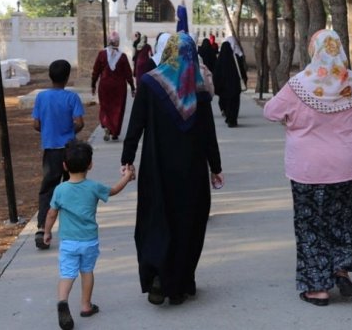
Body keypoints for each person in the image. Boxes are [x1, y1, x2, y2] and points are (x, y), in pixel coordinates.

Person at [263, 30, 352, 307]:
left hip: (309, 168)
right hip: (350, 165)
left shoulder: (299, 85)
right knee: (344, 220)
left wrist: (293, 122)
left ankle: (317, 288)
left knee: (311, 225)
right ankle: (340, 269)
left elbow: (271, 111)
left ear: (314, 51)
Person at [121, 32, 224, 306]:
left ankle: (157, 274)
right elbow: (207, 133)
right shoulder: (199, 90)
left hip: (157, 167)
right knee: (188, 222)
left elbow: (137, 123)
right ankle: (178, 282)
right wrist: (215, 167)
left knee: (156, 218)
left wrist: (127, 157)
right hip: (191, 171)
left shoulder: (150, 83)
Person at [43, 140, 136, 330]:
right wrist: (127, 176)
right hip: (89, 241)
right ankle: (86, 305)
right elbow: (114, 190)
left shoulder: (60, 190)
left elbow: (51, 213)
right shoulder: (94, 187)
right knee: (87, 272)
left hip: (68, 242)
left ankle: (62, 302)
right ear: (90, 165)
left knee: (67, 274)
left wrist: (46, 232)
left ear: (64, 166)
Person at [32, 60, 85, 251]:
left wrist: (49, 130)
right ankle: (74, 228)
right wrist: (69, 129)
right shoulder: (72, 98)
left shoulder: (41, 97)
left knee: (48, 189)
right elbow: (79, 122)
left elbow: (36, 124)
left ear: (50, 76)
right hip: (69, 149)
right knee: (72, 187)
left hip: (51, 150)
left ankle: (41, 228)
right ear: (67, 77)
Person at [92, 31, 135, 141]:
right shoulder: (123, 57)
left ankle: (107, 125)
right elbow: (128, 74)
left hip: (105, 86)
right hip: (119, 87)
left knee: (105, 107)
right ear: (118, 43)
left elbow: (96, 71)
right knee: (118, 108)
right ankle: (114, 132)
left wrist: (93, 84)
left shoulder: (102, 54)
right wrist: (133, 87)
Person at [213, 36, 247, 127]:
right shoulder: (236, 59)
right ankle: (233, 120)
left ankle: (228, 117)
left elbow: (216, 75)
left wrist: (217, 86)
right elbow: (242, 71)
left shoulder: (220, 61)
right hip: (235, 87)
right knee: (234, 104)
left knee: (226, 102)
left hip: (224, 88)